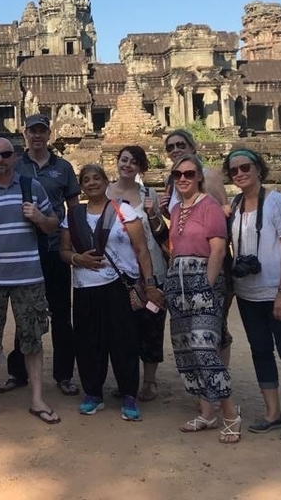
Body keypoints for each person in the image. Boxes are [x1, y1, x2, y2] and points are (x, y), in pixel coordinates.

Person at [0, 137, 61, 426]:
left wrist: (40, 217)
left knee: (32, 339)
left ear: (15, 157)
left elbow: (54, 224)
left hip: (29, 276)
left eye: (6, 154)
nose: (0, 160)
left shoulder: (32, 187)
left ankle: (37, 398)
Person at [61, 163, 164, 420]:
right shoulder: (73, 215)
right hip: (85, 287)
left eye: (97, 178)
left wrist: (149, 283)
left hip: (120, 286)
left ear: (106, 182)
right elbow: (63, 251)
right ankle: (93, 393)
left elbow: (141, 250)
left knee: (124, 341)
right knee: (88, 341)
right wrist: (77, 259)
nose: (92, 183)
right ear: (81, 186)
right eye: (86, 180)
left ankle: (128, 393)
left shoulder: (123, 210)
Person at [223, 148, 281, 441]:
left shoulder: (276, 202)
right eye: (234, 171)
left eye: (245, 167)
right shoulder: (234, 205)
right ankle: (273, 412)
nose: (240, 174)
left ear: (259, 169)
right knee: (260, 350)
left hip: (280, 290)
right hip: (248, 293)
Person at [1, 114, 81, 397]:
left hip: (55, 247)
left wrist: (74, 244)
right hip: (23, 248)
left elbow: (74, 209)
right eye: (32, 131)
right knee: (24, 313)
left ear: (49, 135)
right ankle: (18, 371)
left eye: (42, 131)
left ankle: (64, 374)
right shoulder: (15, 164)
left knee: (61, 313)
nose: (37, 136)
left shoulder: (64, 168)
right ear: (25, 134)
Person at [166, 153, 241, 444]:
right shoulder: (176, 211)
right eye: (177, 175)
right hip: (178, 281)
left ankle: (231, 414)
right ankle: (207, 413)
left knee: (205, 349)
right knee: (186, 350)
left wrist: (207, 287)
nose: (182, 179)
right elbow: (175, 248)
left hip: (204, 280)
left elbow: (219, 251)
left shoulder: (209, 206)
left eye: (188, 174)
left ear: (199, 177)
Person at [159, 129, 235, 369]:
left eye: (180, 144)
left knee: (214, 324)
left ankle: (219, 382)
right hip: (182, 264)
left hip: (211, 258)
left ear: (193, 146)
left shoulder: (209, 176)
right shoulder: (172, 179)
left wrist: (211, 277)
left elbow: (224, 212)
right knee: (190, 327)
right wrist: (162, 211)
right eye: (170, 147)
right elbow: (181, 219)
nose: (175, 150)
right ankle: (204, 384)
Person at [107, 146, 168, 402]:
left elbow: (162, 233)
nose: (128, 165)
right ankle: (127, 379)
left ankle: (150, 380)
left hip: (151, 268)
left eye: (134, 162)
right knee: (123, 329)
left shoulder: (149, 193)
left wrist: (154, 212)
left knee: (152, 324)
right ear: (117, 162)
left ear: (141, 168)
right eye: (124, 160)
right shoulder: (105, 192)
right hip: (119, 272)